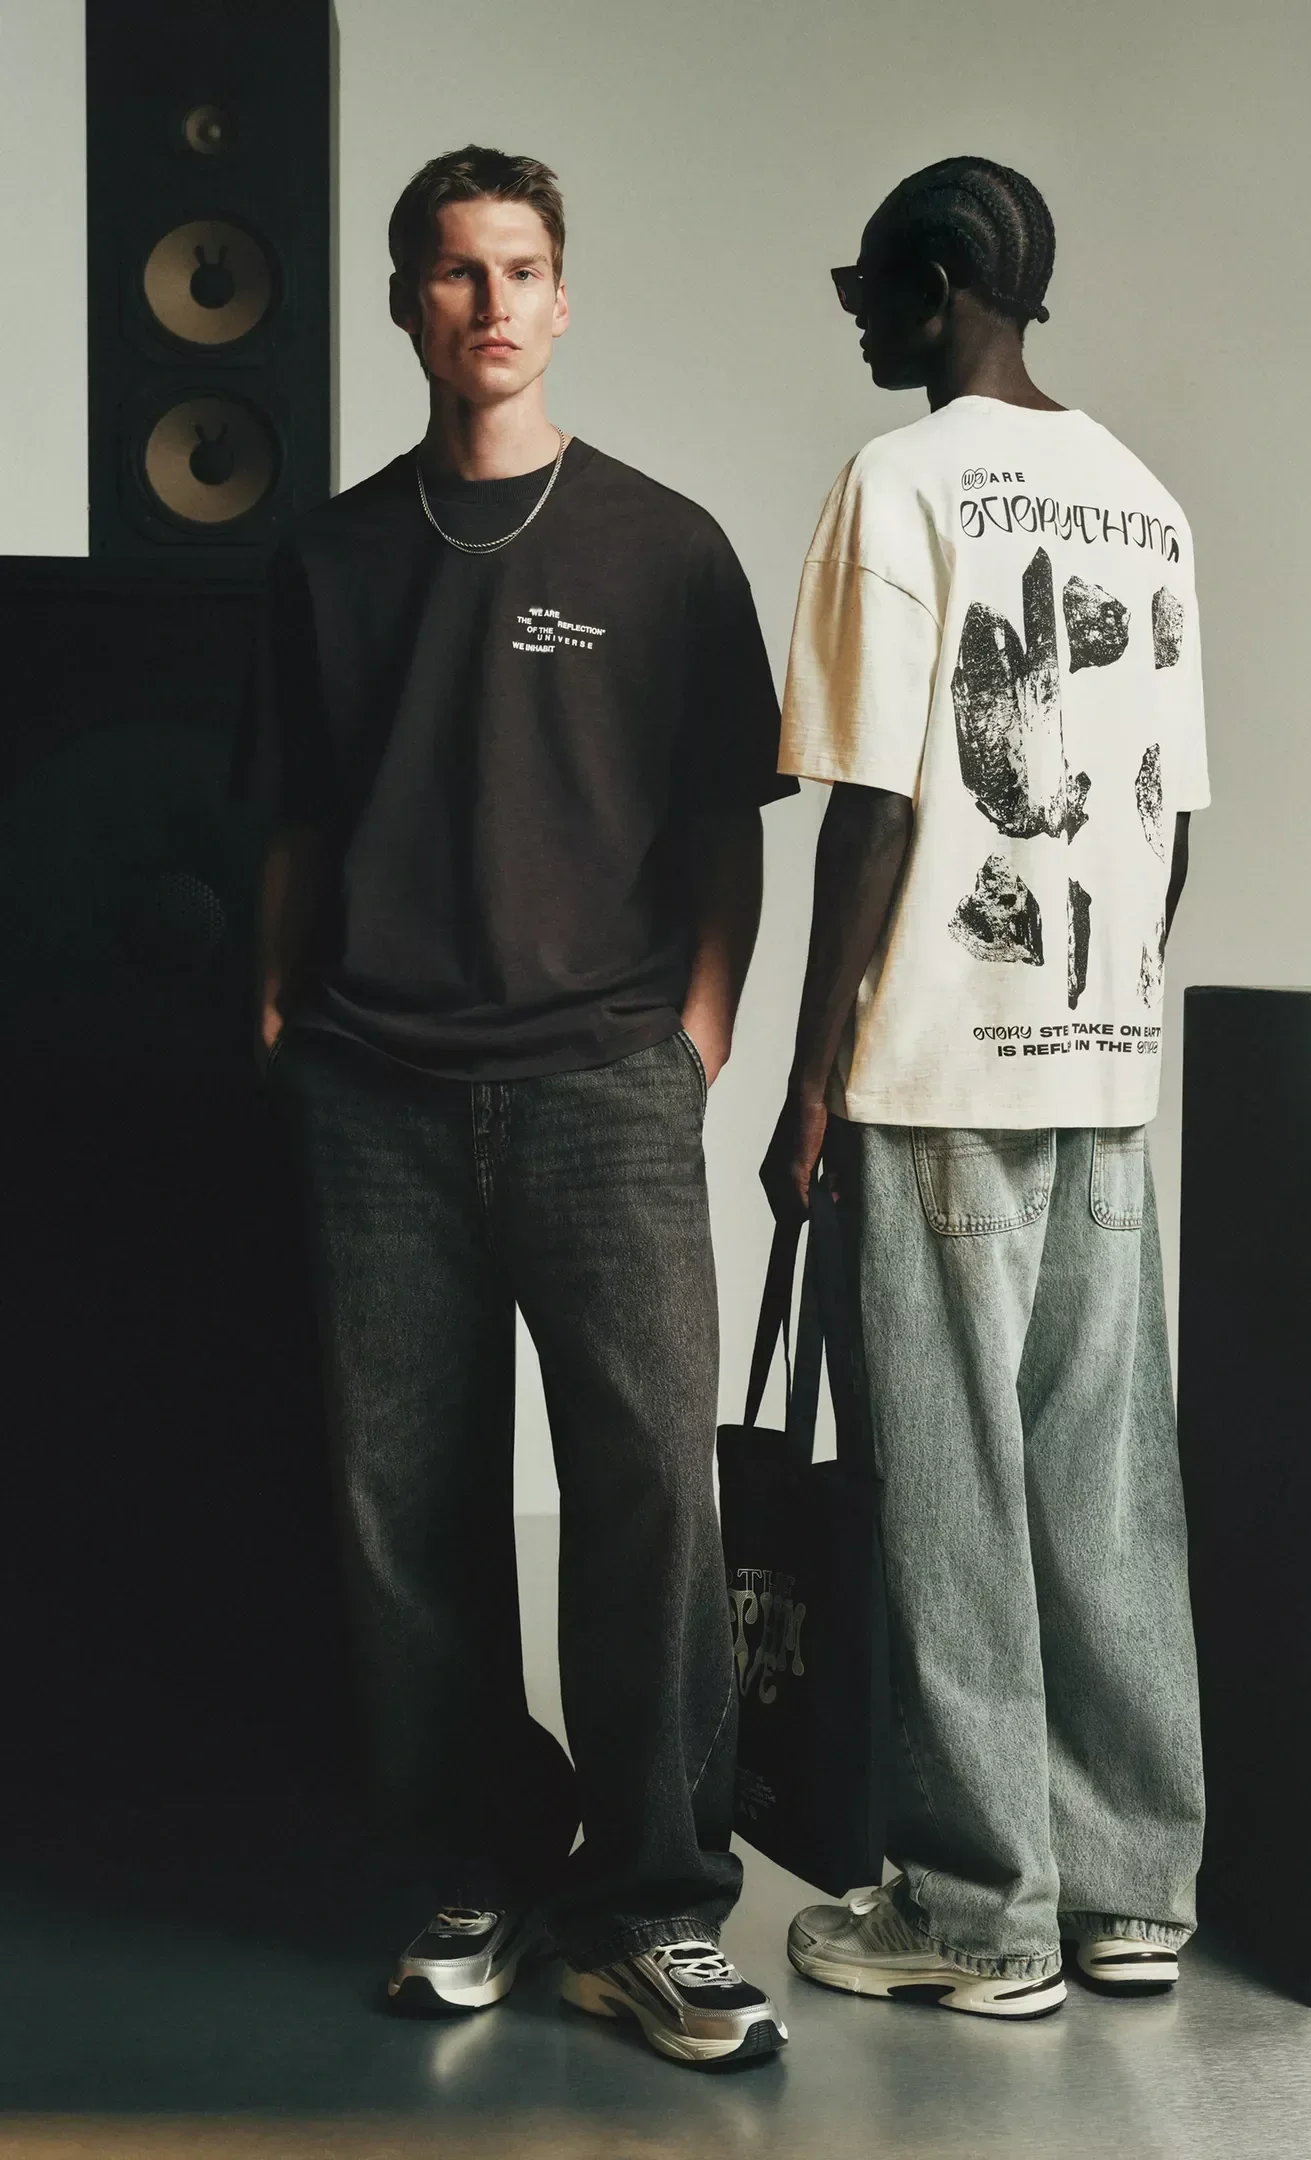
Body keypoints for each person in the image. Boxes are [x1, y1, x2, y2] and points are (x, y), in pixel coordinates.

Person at [255, 144, 794, 2069]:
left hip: (602, 1091)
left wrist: (697, 1036)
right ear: (406, 300)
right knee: (407, 1507)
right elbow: (298, 816)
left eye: (521, 269)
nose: (490, 304)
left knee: (650, 1493)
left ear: (564, 299)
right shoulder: (328, 558)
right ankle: (476, 1867)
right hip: (376, 1091)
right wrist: (277, 1008)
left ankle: (654, 1909)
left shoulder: (665, 546)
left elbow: (726, 823)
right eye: (455, 271)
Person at [763, 156, 1207, 2018]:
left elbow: (871, 801)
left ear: (943, 283)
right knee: (1105, 1487)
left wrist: (809, 1080)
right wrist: (1109, 1022)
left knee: (949, 1490)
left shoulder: (901, 481)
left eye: (871, 288)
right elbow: (1171, 823)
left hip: (936, 1068)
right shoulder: (1146, 503)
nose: (860, 321)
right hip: (1103, 1064)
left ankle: (974, 1912)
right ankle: (1130, 1892)